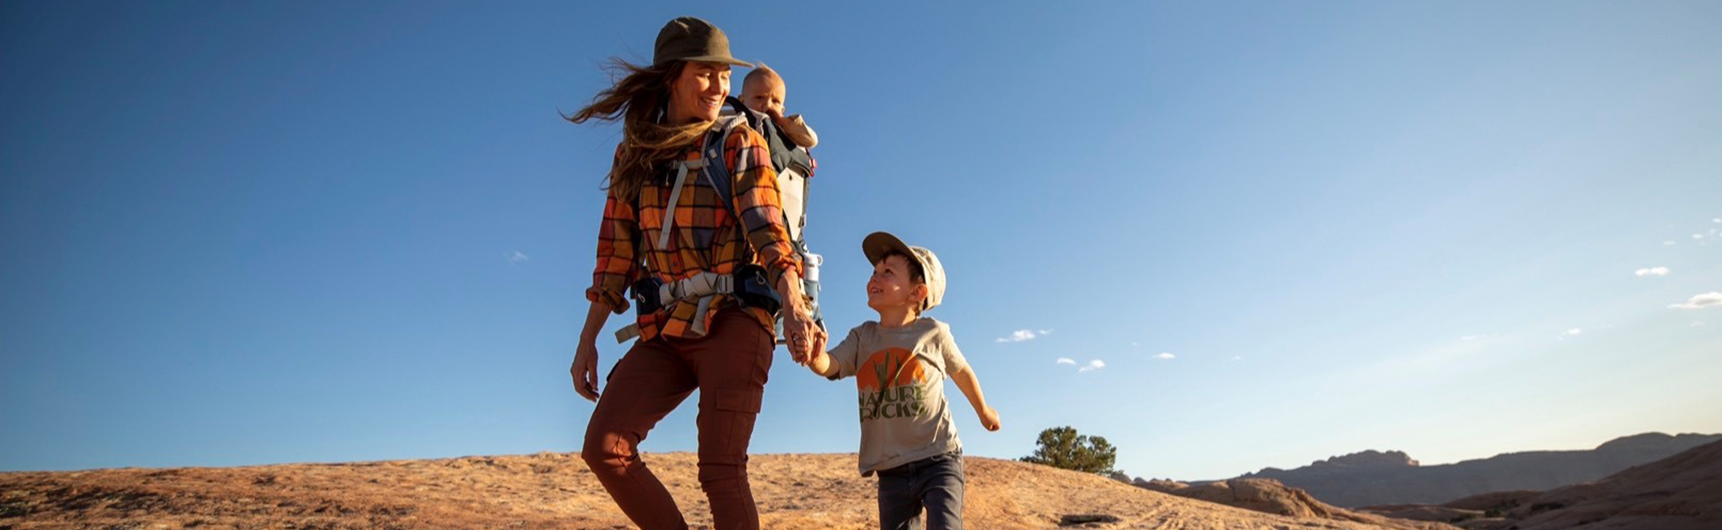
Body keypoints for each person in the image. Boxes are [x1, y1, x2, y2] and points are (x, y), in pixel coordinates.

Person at [564, 16, 823, 530]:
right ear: (671, 76)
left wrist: (794, 306)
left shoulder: (739, 141)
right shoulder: (634, 156)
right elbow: (614, 257)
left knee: (721, 470)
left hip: (736, 318)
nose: (719, 86)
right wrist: (586, 341)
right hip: (666, 326)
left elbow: (768, 230)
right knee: (605, 447)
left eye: (724, 75)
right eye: (705, 73)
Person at [804, 231, 1001, 530]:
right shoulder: (863, 337)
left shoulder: (933, 333)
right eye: (873, 271)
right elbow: (830, 365)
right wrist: (812, 354)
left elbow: (962, 372)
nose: (874, 277)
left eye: (887, 272)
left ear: (917, 293)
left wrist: (984, 412)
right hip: (891, 469)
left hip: (939, 457)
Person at [738, 63, 818, 148]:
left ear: (782, 110)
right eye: (759, 97)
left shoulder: (786, 131)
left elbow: (811, 140)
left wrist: (783, 121)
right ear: (741, 101)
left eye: (775, 101)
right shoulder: (736, 121)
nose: (768, 105)